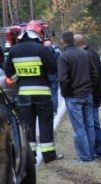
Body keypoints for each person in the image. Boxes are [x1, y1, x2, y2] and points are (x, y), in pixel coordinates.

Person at [4, 21, 62, 163]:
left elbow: (8, 71)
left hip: (24, 93)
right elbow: (53, 69)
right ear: (38, 34)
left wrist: (20, 79)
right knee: (45, 123)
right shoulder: (41, 49)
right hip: (42, 93)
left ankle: (31, 157)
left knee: (27, 124)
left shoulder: (14, 50)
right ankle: (48, 155)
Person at [57, 31, 97, 163]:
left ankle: (85, 158)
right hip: (87, 94)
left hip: (74, 96)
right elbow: (94, 74)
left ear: (63, 41)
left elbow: (63, 79)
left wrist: (65, 93)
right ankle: (92, 154)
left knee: (79, 128)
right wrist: (89, 87)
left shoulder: (63, 57)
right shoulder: (85, 54)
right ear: (73, 41)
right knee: (89, 126)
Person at [74, 34, 101, 159]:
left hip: (92, 95)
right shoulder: (92, 53)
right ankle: (98, 150)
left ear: (77, 43)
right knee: (93, 124)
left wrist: (87, 92)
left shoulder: (87, 55)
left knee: (93, 124)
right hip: (94, 94)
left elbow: (94, 77)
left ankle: (98, 151)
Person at [43, 39, 61, 113]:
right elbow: (59, 65)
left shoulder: (42, 54)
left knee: (46, 95)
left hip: (45, 78)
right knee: (54, 94)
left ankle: (48, 110)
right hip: (54, 77)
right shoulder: (57, 54)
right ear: (51, 45)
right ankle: (55, 110)